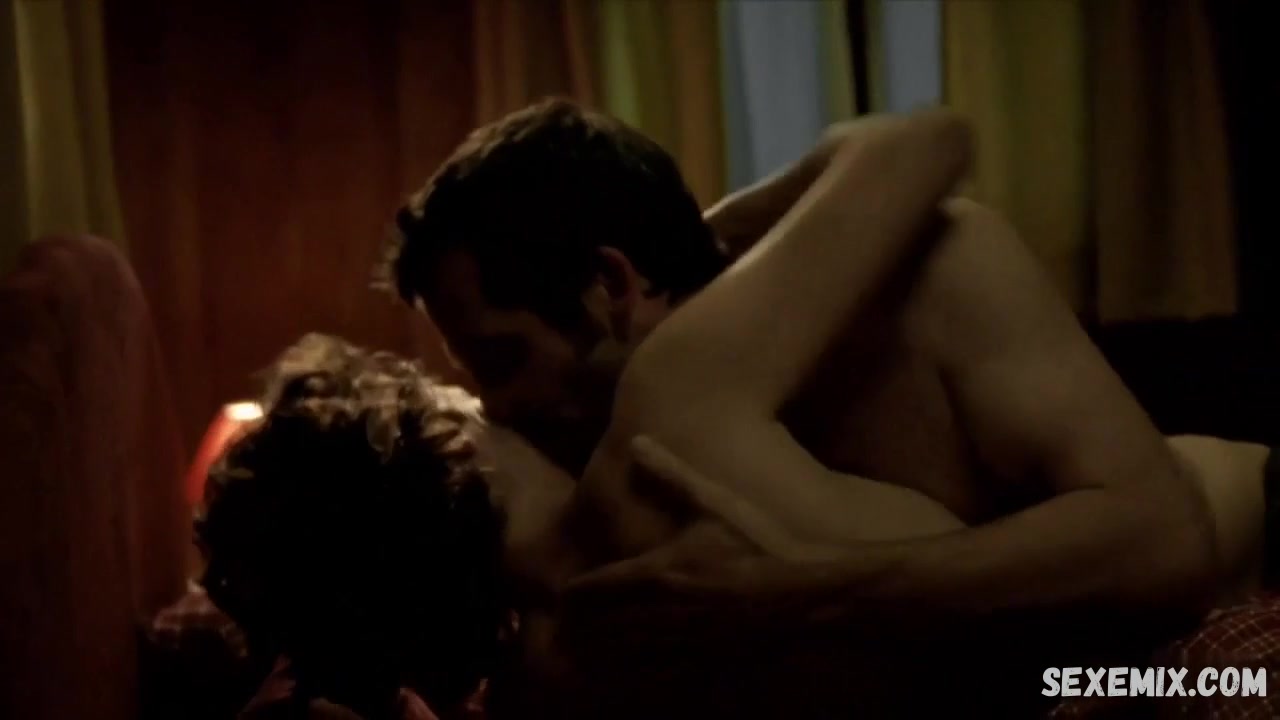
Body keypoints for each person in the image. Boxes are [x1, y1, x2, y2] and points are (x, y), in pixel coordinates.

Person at [384, 99, 1269, 622]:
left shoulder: (929, 271)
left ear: (612, 281)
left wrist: (809, 588)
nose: (499, 407)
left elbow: (1165, 542)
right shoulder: (613, 443)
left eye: (503, 357)